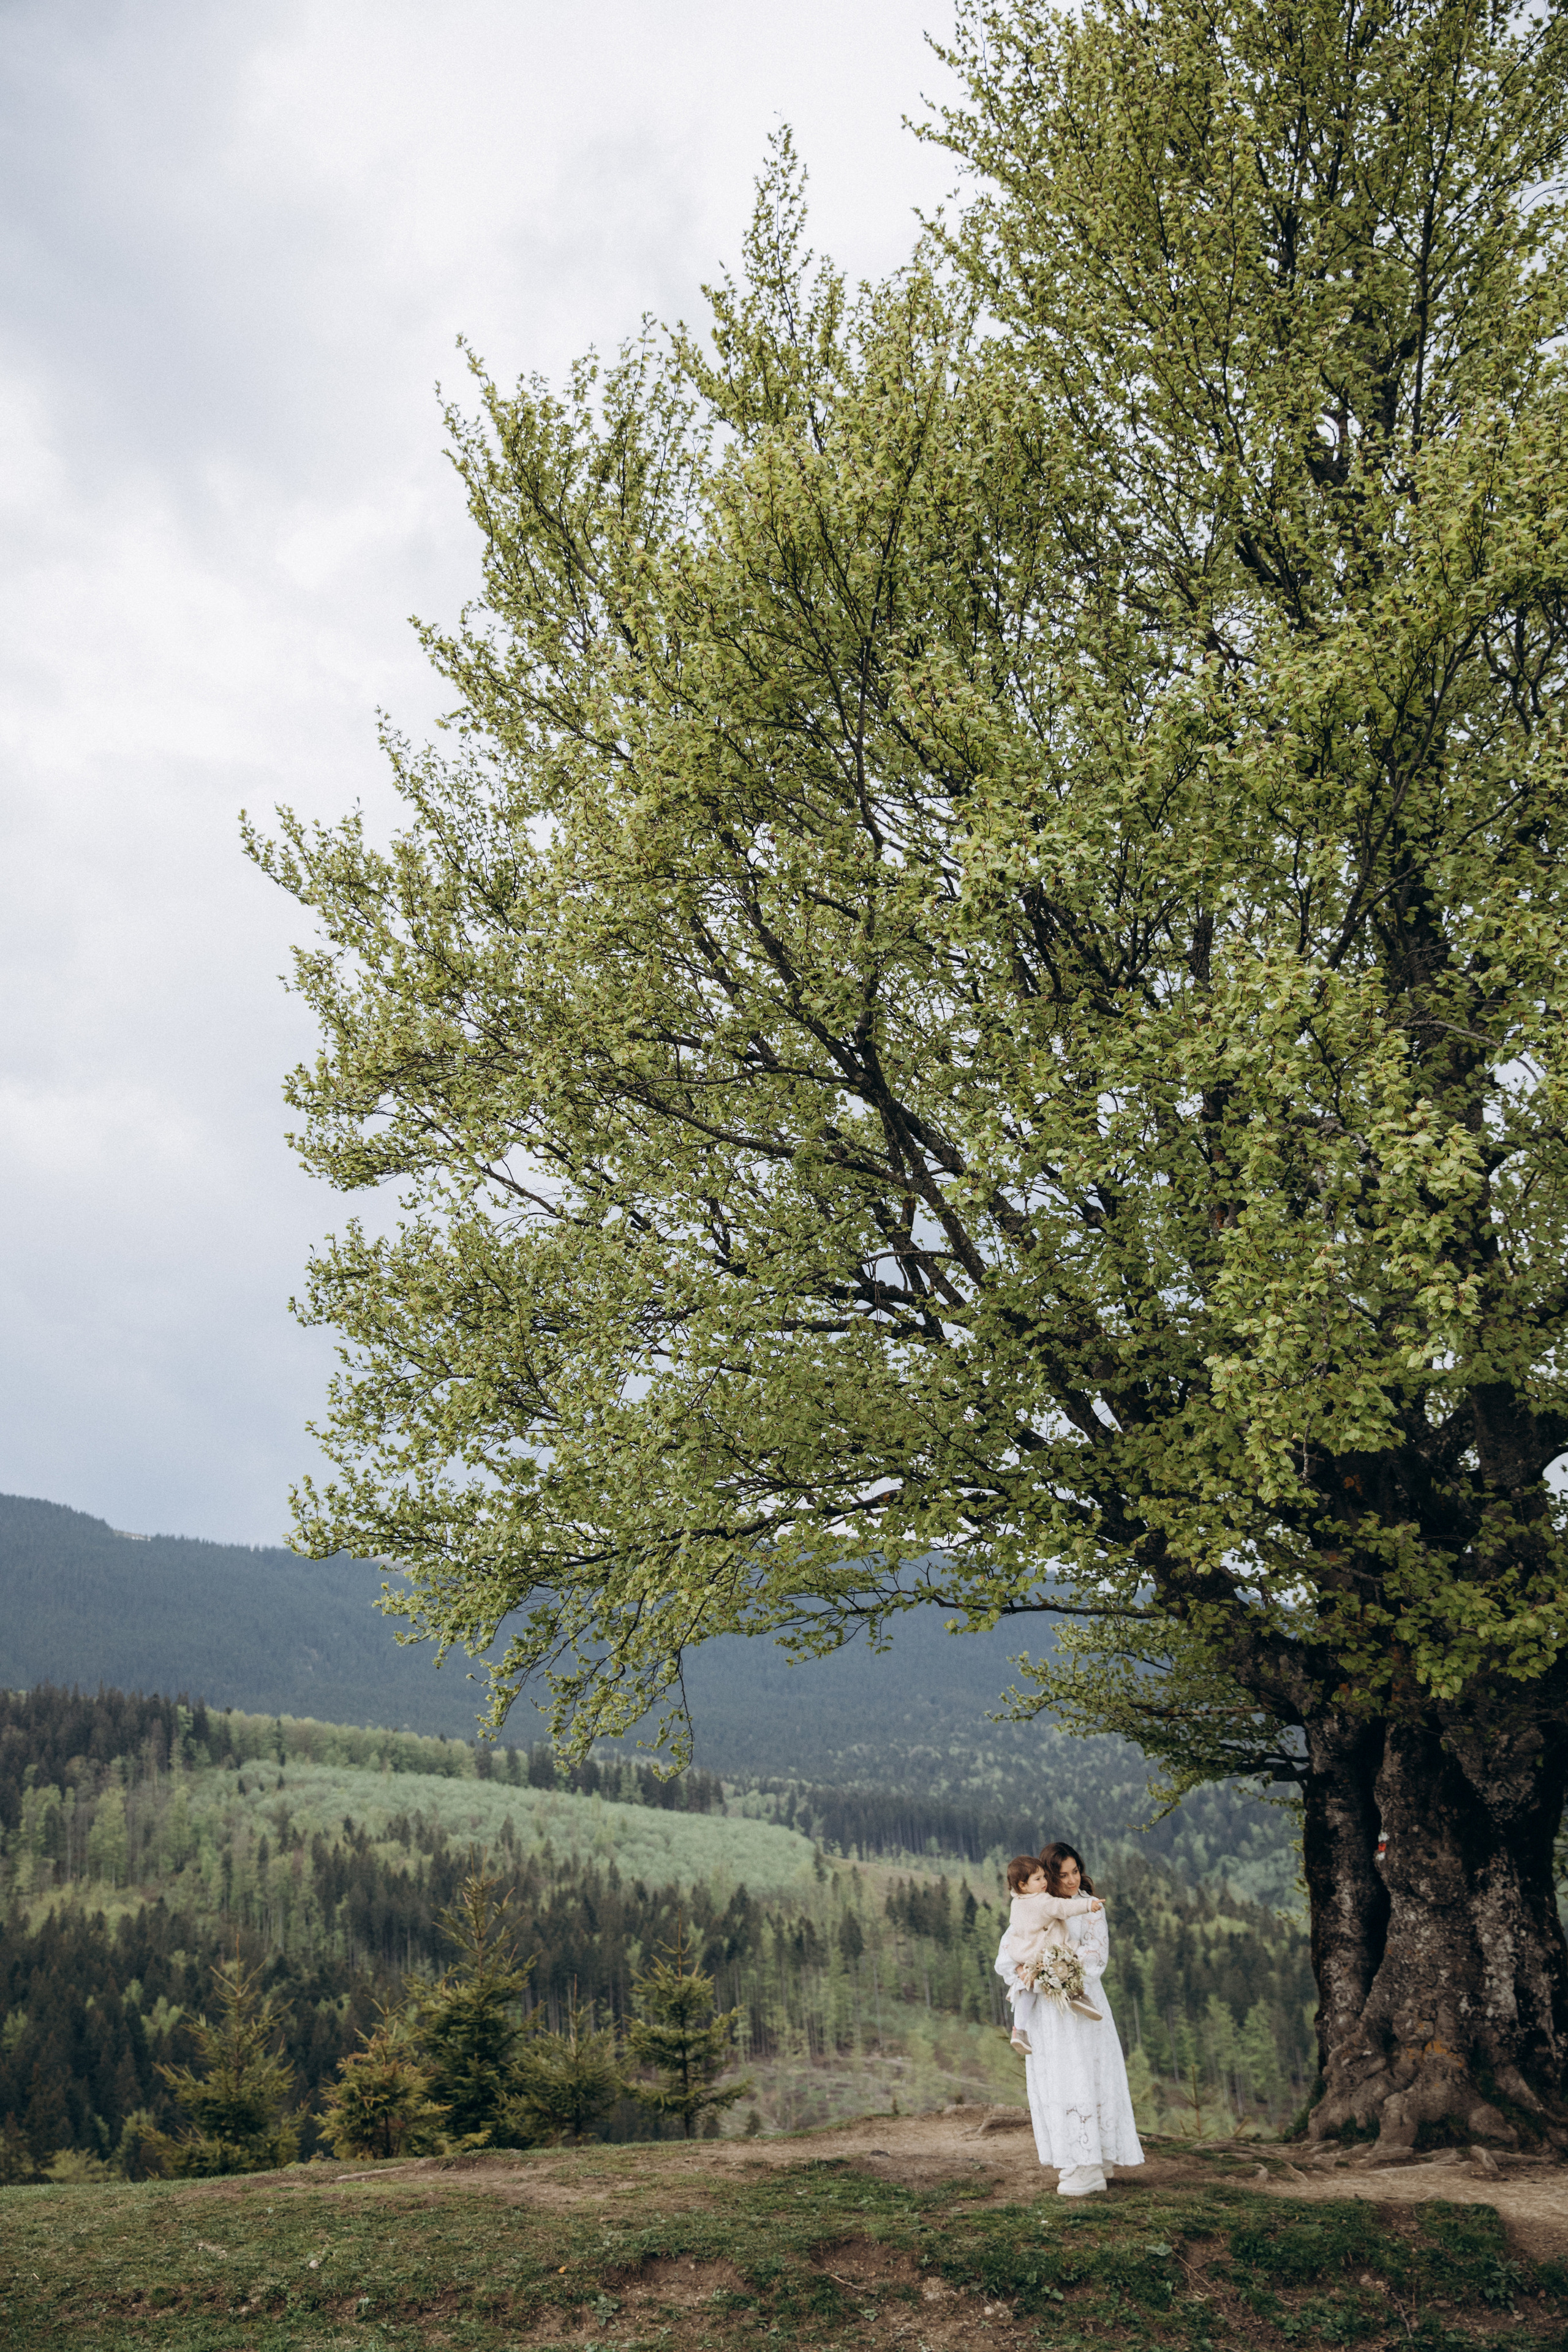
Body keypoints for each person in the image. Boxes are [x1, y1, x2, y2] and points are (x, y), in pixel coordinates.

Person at [1008, 1841, 1145, 2198]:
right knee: (1058, 2081)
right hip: (1047, 2014)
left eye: (1076, 1871)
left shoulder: (1090, 1908)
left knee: (1084, 2077)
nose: (1072, 1880)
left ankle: (1091, 2165)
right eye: (1063, 1874)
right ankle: (1080, 2158)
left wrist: (1050, 1970)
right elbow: (1008, 1951)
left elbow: (1095, 1958)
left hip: (1081, 2007)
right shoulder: (1036, 1906)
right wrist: (1026, 1970)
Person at [995, 1855, 1104, 2054]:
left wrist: (1019, 1967)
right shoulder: (1043, 1901)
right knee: (1067, 1962)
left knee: (1026, 1991)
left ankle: (1018, 2030)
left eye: (1044, 1877)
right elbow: (1064, 1908)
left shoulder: (1017, 1901)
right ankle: (1078, 1995)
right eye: (1038, 1879)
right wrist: (1089, 1906)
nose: (1044, 1882)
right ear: (1023, 1885)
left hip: (1025, 1956)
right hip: (1045, 1953)